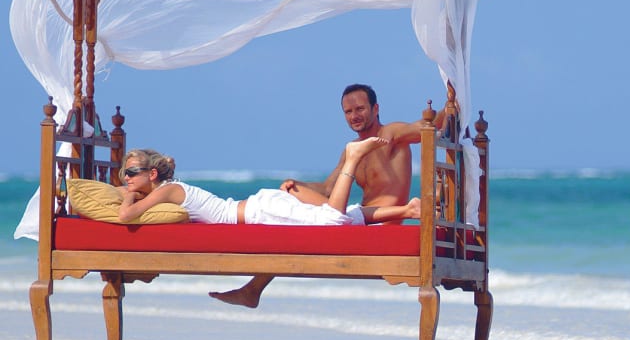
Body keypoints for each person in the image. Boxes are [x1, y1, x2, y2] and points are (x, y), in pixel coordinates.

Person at [210, 83, 452, 307]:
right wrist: (298, 185)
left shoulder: (391, 134)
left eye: (360, 109)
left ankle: (252, 289)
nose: (354, 116)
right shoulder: (351, 151)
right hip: (358, 220)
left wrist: (449, 106)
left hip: (382, 223)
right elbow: (327, 189)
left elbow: (427, 127)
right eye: (348, 112)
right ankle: (253, 290)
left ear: (376, 108)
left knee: (295, 213)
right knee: (293, 206)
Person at [118, 140, 420, 227]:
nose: (126, 179)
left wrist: (128, 197)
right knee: (343, 215)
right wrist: (128, 190)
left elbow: (126, 216)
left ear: (152, 174)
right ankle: (407, 211)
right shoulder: (166, 190)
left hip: (260, 211)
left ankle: (352, 158)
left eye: (131, 173)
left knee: (333, 221)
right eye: (124, 175)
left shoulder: (168, 190)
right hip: (262, 205)